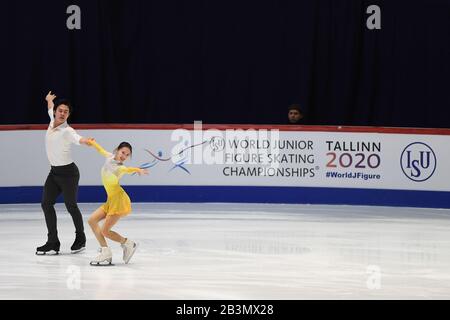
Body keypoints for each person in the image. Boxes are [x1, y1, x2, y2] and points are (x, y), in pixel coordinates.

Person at [36, 91, 93, 255]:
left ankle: (80, 238)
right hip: (54, 173)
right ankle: (53, 242)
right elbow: (50, 108)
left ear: (68, 115)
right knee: (46, 204)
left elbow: (78, 138)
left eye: (66, 112)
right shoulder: (51, 120)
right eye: (60, 110)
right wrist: (48, 100)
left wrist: (86, 141)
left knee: (71, 205)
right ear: (55, 112)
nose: (62, 113)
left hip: (69, 174)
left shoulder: (67, 131)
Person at [87, 139, 148, 265]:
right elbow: (101, 150)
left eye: (127, 155)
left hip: (118, 201)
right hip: (111, 200)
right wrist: (92, 143)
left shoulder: (121, 168)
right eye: (123, 152)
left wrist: (138, 170)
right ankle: (106, 251)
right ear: (117, 150)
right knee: (92, 220)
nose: (124, 156)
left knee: (105, 231)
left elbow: (128, 169)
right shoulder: (109, 157)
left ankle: (128, 243)